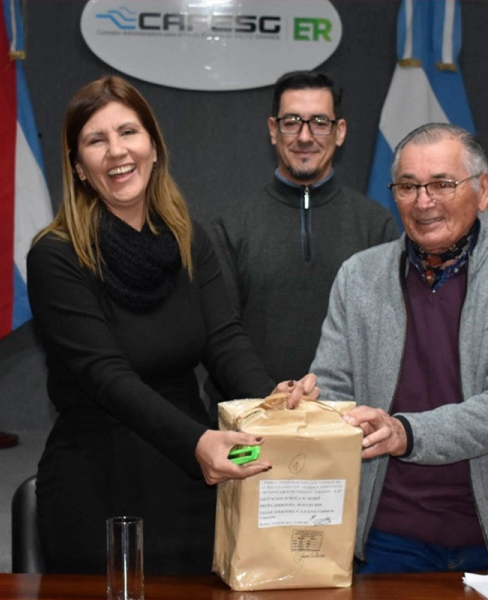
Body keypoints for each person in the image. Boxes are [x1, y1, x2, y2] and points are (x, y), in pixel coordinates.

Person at [26, 76, 318, 575]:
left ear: (154, 147)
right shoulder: (55, 256)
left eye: (128, 132)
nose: (117, 151)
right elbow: (107, 377)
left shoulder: (188, 238)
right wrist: (197, 443)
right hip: (98, 482)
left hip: (192, 483)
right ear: (77, 166)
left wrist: (272, 399)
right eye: (96, 140)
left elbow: (224, 339)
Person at [310, 123, 488, 573]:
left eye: (442, 184)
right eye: (408, 187)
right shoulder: (358, 276)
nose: (423, 202)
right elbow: (332, 386)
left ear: (483, 190)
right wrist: (309, 406)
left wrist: (407, 433)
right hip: (389, 536)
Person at [209, 71, 398, 401]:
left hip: (345, 418)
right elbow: (219, 334)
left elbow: (388, 336)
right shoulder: (231, 225)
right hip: (251, 417)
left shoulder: (376, 225)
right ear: (273, 130)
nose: (305, 136)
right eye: (292, 122)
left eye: (320, 122)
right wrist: (269, 395)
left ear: (340, 131)